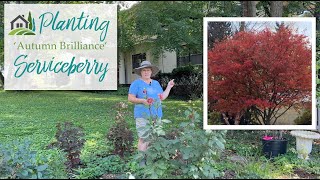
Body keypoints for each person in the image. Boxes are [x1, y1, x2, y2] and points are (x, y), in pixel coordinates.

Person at [128, 60, 175, 153]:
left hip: (156, 115)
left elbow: (162, 97)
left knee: (153, 138)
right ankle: (142, 161)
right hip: (142, 115)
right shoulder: (136, 83)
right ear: (141, 72)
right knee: (143, 138)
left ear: (151, 72)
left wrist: (169, 86)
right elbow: (130, 98)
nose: (146, 72)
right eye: (144, 70)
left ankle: (148, 159)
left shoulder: (156, 83)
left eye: (148, 70)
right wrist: (142, 101)